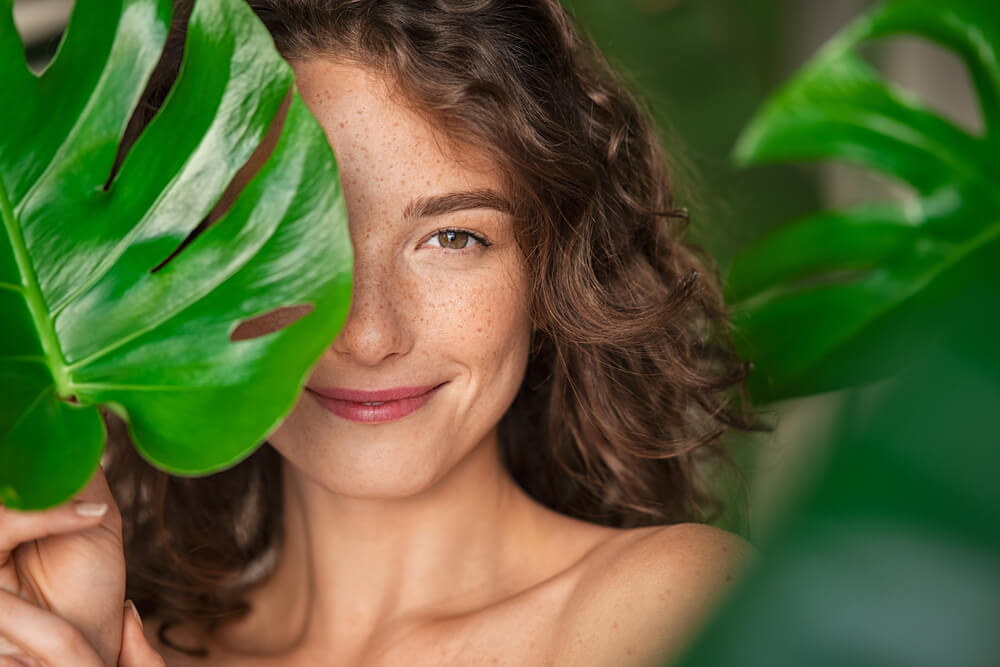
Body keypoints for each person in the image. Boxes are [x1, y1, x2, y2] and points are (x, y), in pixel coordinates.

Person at [0, 1, 758, 664]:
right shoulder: (101, 647)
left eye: (453, 238)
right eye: (289, 245)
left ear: (550, 267)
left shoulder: (678, 608)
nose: (367, 334)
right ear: (185, 270)